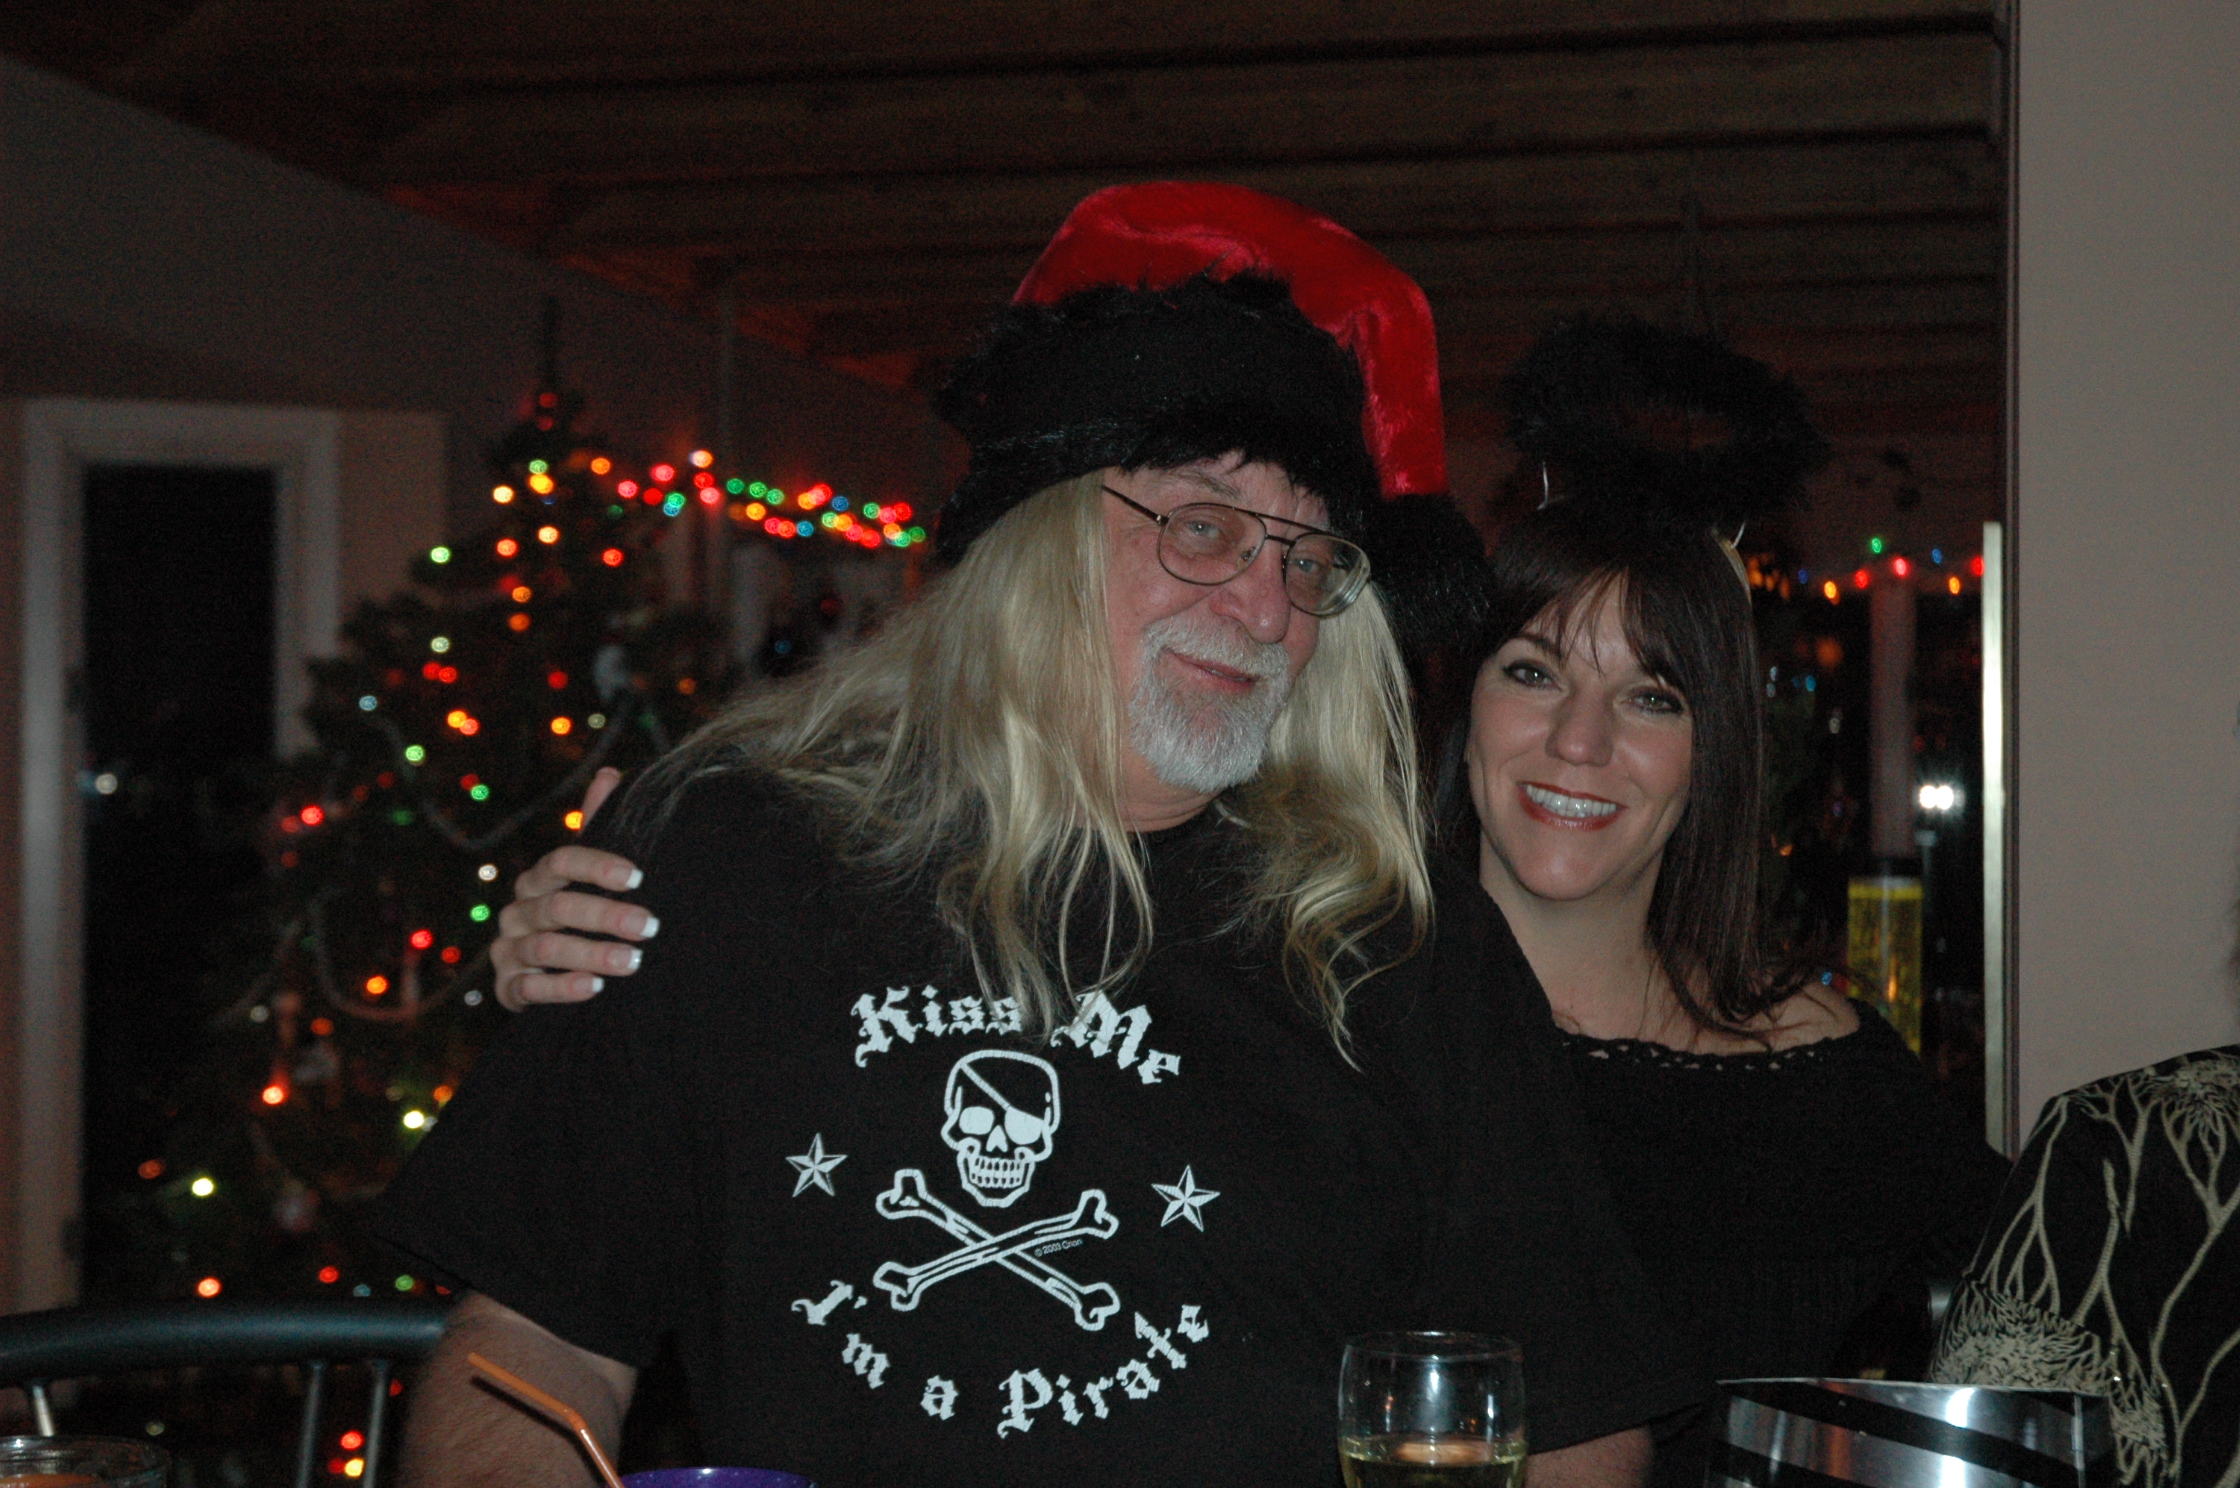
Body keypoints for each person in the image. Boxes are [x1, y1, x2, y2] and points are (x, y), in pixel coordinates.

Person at [377, 184, 1697, 1488]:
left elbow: (1571, 1422)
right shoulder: (727, 855)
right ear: (1040, 536)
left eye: (1308, 563)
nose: (1266, 608)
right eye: (1203, 528)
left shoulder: (1399, 943)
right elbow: (530, 1344)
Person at [1449, 318, 2009, 1486]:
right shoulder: (1338, 1035)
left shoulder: (1818, 1074)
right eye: (1533, 671)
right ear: (1463, 710)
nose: (1578, 740)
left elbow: (2068, 1319)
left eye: (1650, 696)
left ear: (1711, 753)